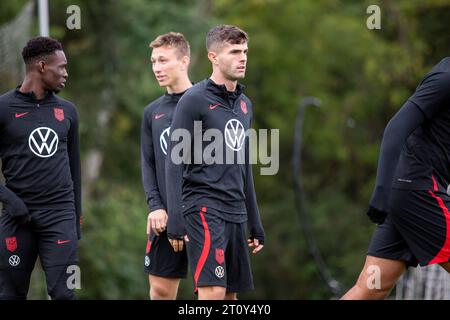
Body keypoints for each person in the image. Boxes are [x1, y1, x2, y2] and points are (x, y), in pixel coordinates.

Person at [165, 25, 265, 300]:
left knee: (231, 296)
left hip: (236, 213)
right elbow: (174, 163)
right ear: (213, 57)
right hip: (204, 208)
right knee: (214, 292)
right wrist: (175, 218)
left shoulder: (245, 104)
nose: (242, 57)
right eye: (234, 52)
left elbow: (244, 165)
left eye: (245, 51)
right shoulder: (193, 100)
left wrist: (254, 221)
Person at [342, 57, 450, 299]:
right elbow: (396, 126)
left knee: (370, 289)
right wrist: (380, 191)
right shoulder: (446, 77)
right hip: (419, 191)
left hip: (407, 196)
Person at [0, 36, 82, 300]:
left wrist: (75, 222)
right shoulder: (3, 108)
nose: (66, 73)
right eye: (62, 67)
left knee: (65, 294)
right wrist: (10, 201)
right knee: (10, 294)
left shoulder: (68, 112)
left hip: (60, 218)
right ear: (42, 66)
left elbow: (75, 170)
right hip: (17, 218)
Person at [141, 32, 192, 299]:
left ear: (184, 61)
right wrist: (156, 206)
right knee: (160, 290)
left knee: (218, 291)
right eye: (153, 61)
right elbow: (148, 164)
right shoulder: (152, 112)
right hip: (165, 215)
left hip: (203, 212)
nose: (157, 68)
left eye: (163, 60)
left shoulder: (205, 102)